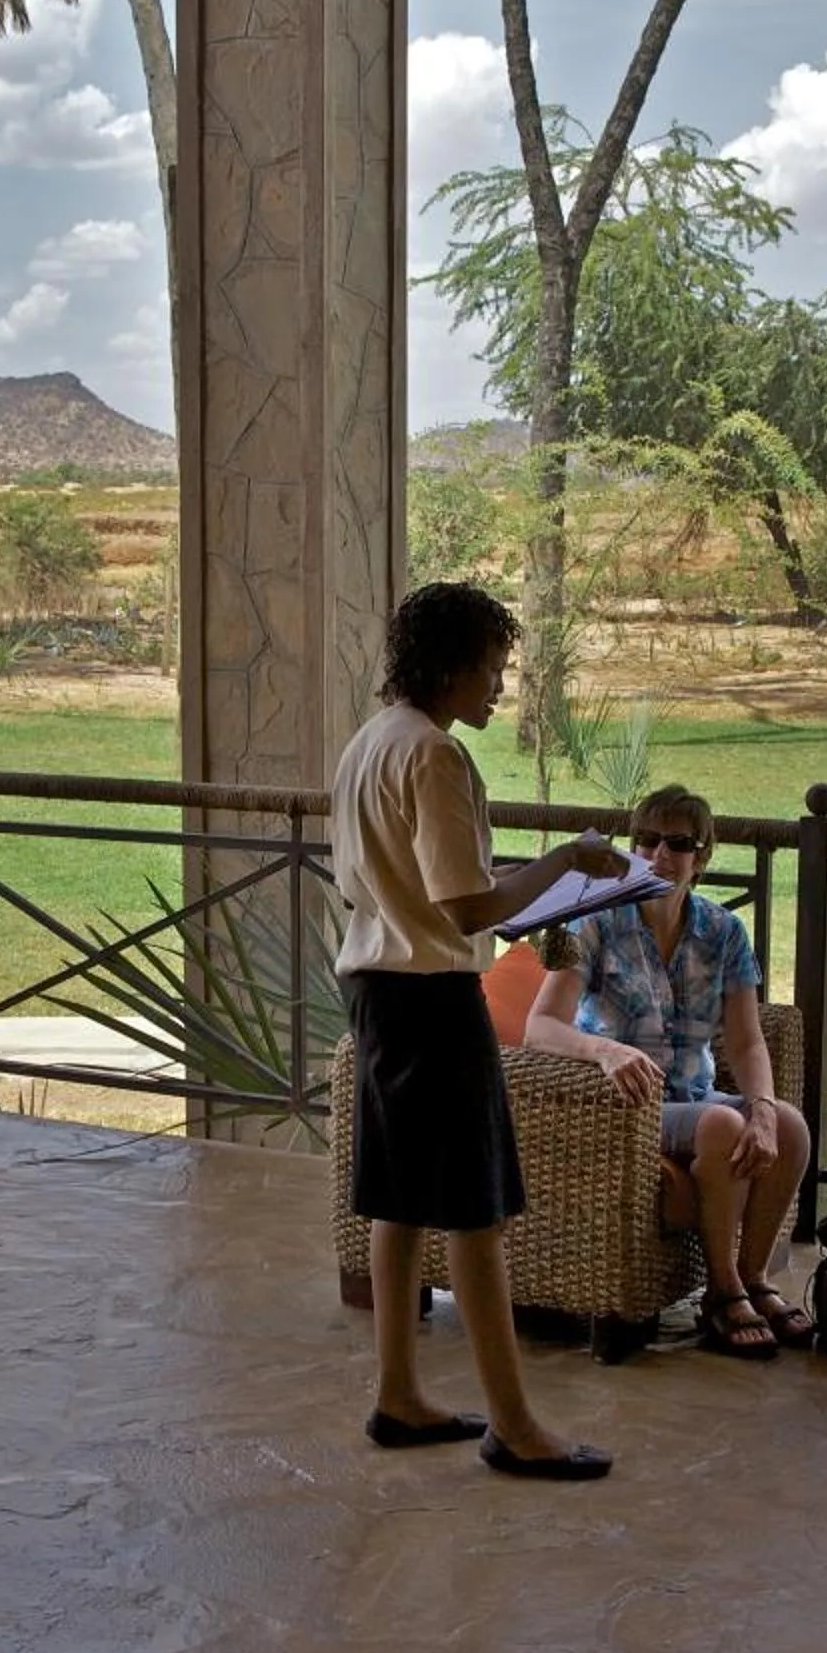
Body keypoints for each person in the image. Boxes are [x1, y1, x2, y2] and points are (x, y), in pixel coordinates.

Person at [333, 580, 631, 1481]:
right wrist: (572, 861)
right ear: (455, 666)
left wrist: (531, 888)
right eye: (495, 669)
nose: (501, 687)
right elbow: (465, 906)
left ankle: (399, 1393)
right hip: (431, 1002)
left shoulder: (371, 741)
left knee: (401, 1203)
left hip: (378, 992)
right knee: (476, 1215)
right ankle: (516, 1425)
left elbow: (431, 881)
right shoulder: (435, 756)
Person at [521, 783, 817, 1360]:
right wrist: (604, 1052)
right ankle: (721, 1291)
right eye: (647, 840)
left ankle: (754, 1280)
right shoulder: (596, 923)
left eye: (677, 843)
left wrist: (759, 1108)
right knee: (718, 1126)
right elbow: (541, 1027)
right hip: (622, 1104)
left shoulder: (723, 931)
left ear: (701, 858)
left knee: (790, 1128)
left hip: (692, 1095)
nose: (658, 855)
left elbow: (747, 1038)